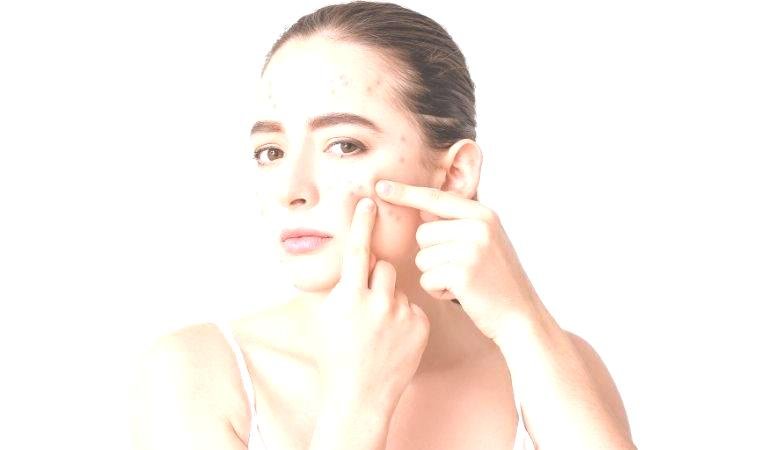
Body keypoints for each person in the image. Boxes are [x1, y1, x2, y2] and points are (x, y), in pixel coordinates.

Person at [131, 2, 637, 449]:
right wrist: (357, 403)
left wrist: (522, 322)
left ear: (454, 174)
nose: (291, 189)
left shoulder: (555, 363)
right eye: (271, 151)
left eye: (343, 145)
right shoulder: (198, 372)